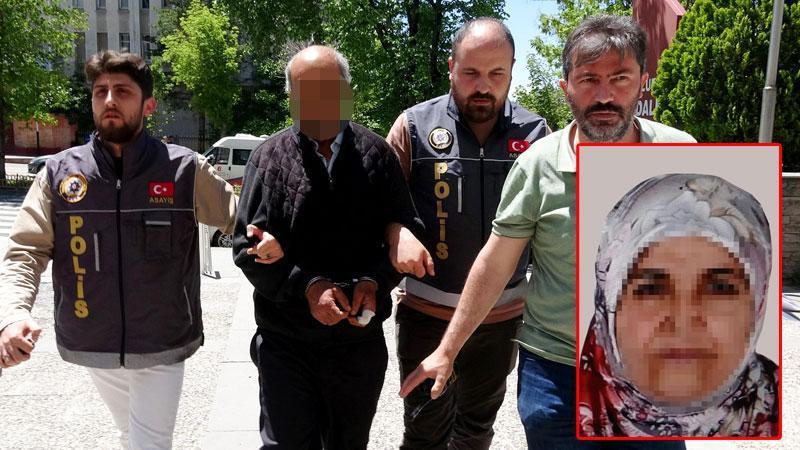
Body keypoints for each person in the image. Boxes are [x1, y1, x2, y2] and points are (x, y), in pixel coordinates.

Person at [399, 15, 696, 449]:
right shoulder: (537, 164)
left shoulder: (682, 153)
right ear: (566, 87)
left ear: (641, 82)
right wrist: (447, 349)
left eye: (619, 78)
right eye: (589, 79)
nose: (604, 95)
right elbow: (496, 262)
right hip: (556, 372)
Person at [0, 51, 241, 449]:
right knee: (130, 433)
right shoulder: (59, 174)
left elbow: (242, 220)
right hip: (94, 338)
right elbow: (25, 250)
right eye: (101, 91)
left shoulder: (184, 169)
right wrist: (12, 316)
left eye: (123, 91)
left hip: (162, 339)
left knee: (149, 443)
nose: (109, 100)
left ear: (148, 105)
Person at [232, 44, 422, 449]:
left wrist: (375, 281)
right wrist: (307, 286)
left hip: (357, 345)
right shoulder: (267, 158)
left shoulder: (378, 155)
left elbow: (403, 231)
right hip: (286, 344)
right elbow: (244, 247)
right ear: (291, 99)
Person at [385, 17, 548, 449]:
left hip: (500, 319)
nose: (483, 86)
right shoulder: (413, 126)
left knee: (476, 431)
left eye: (497, 74)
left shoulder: (536, 134)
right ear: (451, 67)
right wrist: (396, 230)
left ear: (511, 71)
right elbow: (378, 203)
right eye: (471, 72)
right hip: (428, 316)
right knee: (424, 434)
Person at [580, 173, 778, 437]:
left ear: (757, 306)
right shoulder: (567, 405)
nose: (683, 320)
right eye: (651, 289)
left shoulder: (773, 407)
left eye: (720, 288)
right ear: (609, 307)